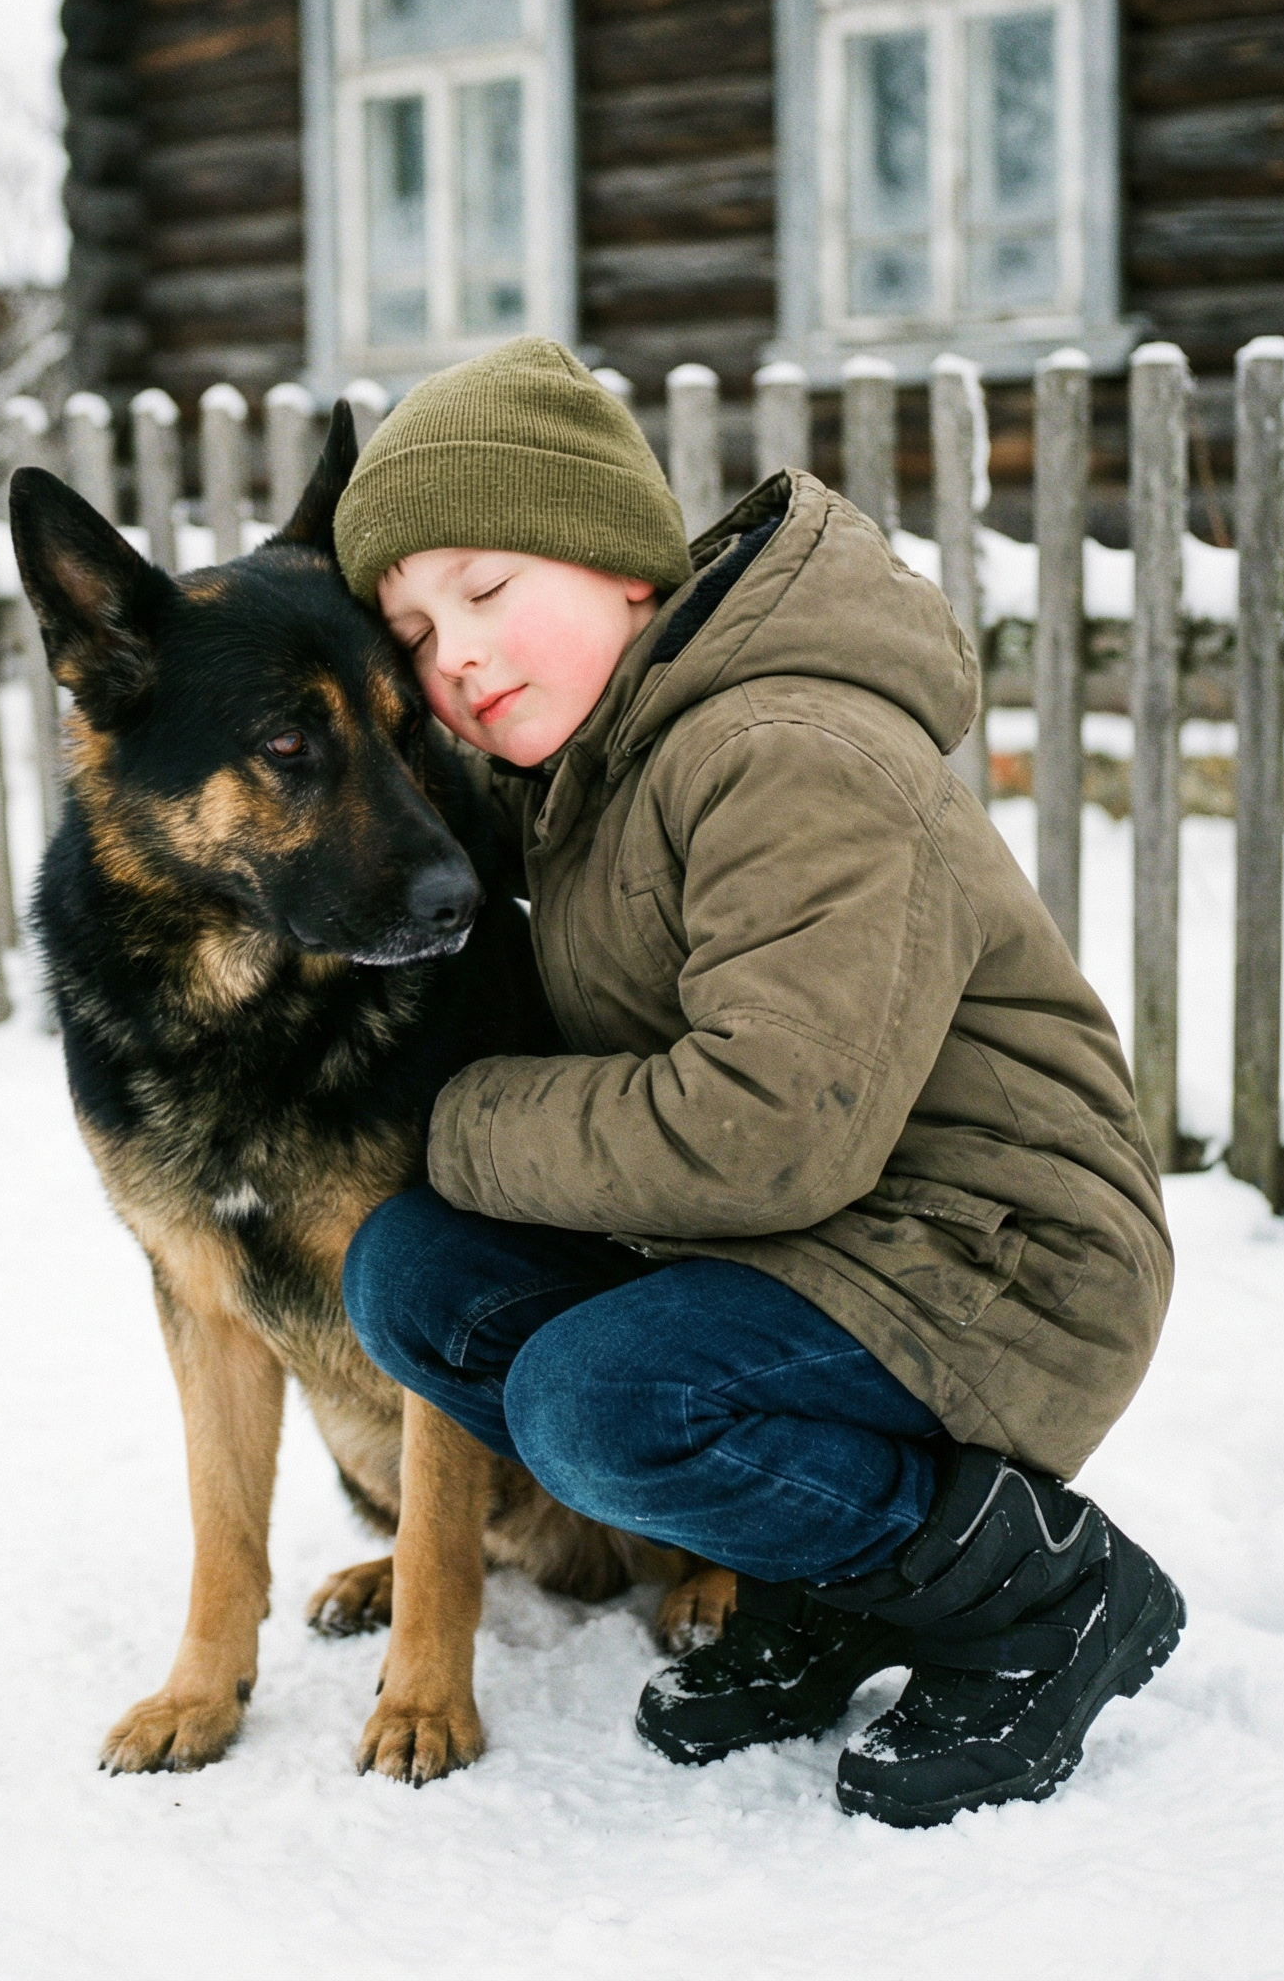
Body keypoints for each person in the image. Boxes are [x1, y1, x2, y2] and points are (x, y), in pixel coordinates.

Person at [333, 335, 1183, 1829]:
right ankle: (837, 1580)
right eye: (409, 631)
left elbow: (765, 1134)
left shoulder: (787, 747)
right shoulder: (597, 771)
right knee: (416, 1274)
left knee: (598, 1404)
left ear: (627, 573)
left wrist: (455, 1124)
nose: (450, 651)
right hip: (821, 1247)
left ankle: (1036, 1593)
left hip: (1000, 1261)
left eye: (484, 588)